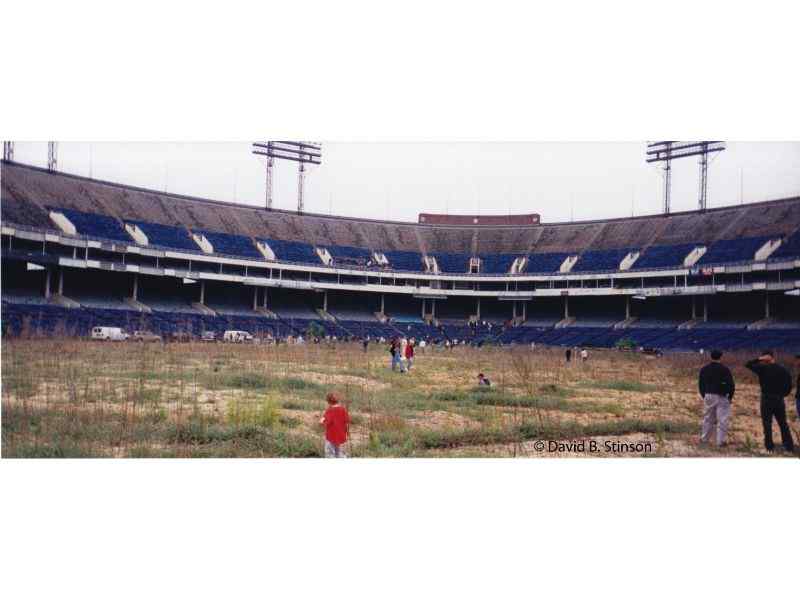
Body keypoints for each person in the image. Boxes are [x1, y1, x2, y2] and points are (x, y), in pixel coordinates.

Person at [745, 350, 794, 453]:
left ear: (766, 358)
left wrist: (758, 359)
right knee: (783, 423)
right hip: (779, 399)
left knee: (767, 423)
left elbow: (748, 364)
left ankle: (769, 447)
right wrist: (783, 394)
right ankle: (789, 446)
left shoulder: (762, 368)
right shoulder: (783, 369)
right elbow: (789, 384)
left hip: (766, 398)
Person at [698, 350, 735, 447]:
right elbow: (731, 385)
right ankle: (720, 442)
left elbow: (701, 384)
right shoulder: (725, 369)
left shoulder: (704, 369)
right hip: (722, 396)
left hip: (708, 394)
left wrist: (704, 395)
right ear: (721, 357)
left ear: (711, 357)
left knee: (708, 418)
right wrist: (730, 396)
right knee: (722, 419)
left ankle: (704, 439)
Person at [320, 392, 349, 458]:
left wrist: (321, 422)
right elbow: (346, 423)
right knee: (341, 454)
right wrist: (347, 433)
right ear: (338, 400)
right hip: (342, 436)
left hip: (331, 437)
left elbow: (324, 421)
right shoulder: (343, 410)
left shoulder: (329, 411)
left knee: (330, 454)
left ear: (328, 402)